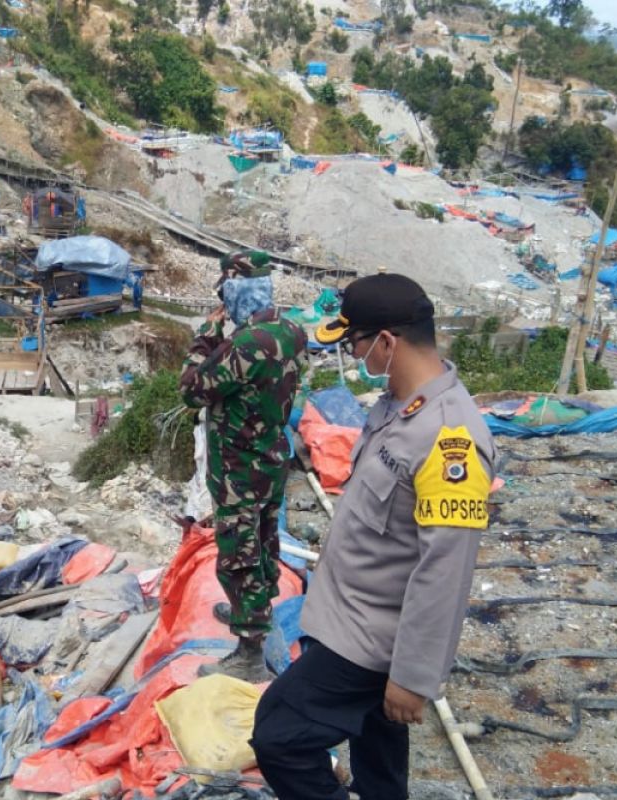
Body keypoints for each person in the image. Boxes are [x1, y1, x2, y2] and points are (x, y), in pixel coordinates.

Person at [250, 273, 496, 800]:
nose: (352, 354)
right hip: (346, 614)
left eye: (355, 343)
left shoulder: (449, 438)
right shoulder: (397, 406)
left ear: (386, 341)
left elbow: (445, 571)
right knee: (378, 760)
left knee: (278, 735)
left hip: (370, 639)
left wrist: (413, 675)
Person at [179, 251, 307, 682]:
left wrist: (206, 338)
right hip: (270, 458)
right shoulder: (290, 331)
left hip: (238, 469)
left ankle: (248, 652)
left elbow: (192, 390)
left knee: (238, 555)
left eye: (224, 292)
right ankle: (254, 610)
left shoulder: (247, 344)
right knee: (265, 540)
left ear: (236, 291)